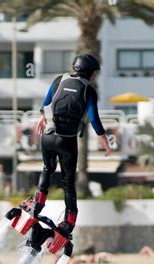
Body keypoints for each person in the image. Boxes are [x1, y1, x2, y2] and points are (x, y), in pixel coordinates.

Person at [30, 53, 112, 237]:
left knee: (47, 169)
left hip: (48, 137)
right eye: (95, 73)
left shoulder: (59, 80)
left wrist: (43, 118)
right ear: (90, 73)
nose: (95, 76)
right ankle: (69, 221)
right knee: (68, 182)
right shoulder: (88, 90)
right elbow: (93, 118)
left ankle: (37, 205)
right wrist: (103, 138)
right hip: (66, 141)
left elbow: (45, 104)